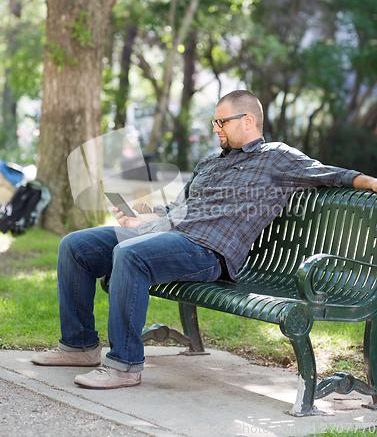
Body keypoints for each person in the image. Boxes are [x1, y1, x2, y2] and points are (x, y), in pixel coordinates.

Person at [31, 90, 377, 389]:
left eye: (221, 122)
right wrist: (146, 216)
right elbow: (181, 206)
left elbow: (333, 173)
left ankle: (123, 366)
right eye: (215, 122)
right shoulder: (211, 162)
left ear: (248, 121)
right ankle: (79, 347)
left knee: (129, 254)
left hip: (207, 252)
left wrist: (371, 182)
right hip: (169, 234)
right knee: (75, 246)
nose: (215, 129)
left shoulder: (277, 157)